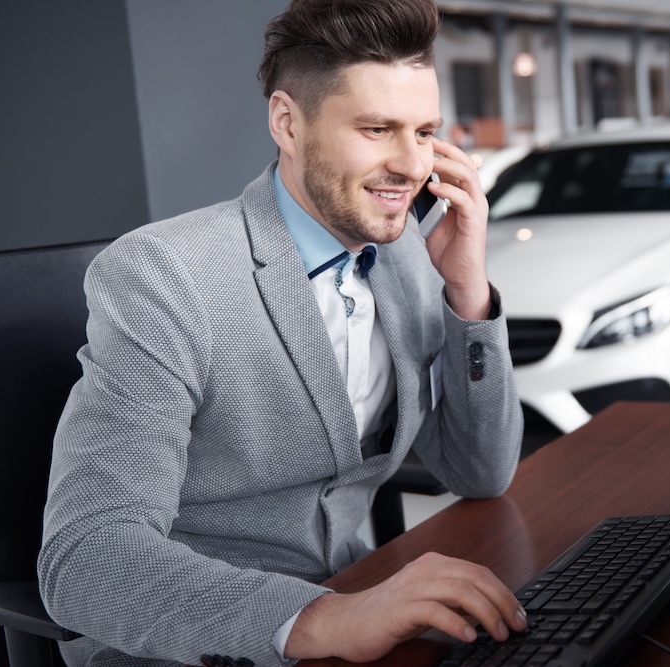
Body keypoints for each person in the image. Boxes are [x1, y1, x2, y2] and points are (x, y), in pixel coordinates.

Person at [37, 1, 527, 665]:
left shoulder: (408, 252)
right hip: (190, 645)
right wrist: (322, 619)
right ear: (287, 123)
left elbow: (479, 470)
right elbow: (87, 557)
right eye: (378, 129)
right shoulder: (163, 275)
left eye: (425, 131)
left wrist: (468, 293)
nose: (412, 165)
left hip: (354, 602)